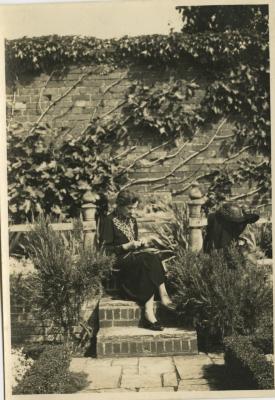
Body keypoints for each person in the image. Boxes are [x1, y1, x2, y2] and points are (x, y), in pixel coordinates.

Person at [100, 190, 175, 331]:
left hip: (135, 259)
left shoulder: (132, 220)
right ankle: (163, 298)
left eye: (134, 208)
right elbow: (105, 251)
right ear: (119, 206)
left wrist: (142, 243)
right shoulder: (109, 221)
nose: (133, 212)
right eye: (130, 208)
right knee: (148, 259)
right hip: (119, 263)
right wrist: (126, 246)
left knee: (153, 255)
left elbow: (134, 243)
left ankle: (149, 312)